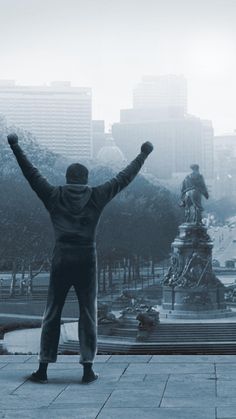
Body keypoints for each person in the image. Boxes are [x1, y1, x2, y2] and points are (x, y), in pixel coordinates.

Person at [7, 133, 153, 384]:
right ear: (85, 179)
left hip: (62, 256)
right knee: (88, 312)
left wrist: (16, 146)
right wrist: (144, 154)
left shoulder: (54, 195)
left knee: (52, 312)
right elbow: (124, 177)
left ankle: (43, 369)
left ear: (67, 178)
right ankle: (87, 368)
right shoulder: (96, 195)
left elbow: (30, 172)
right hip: (87, 257)